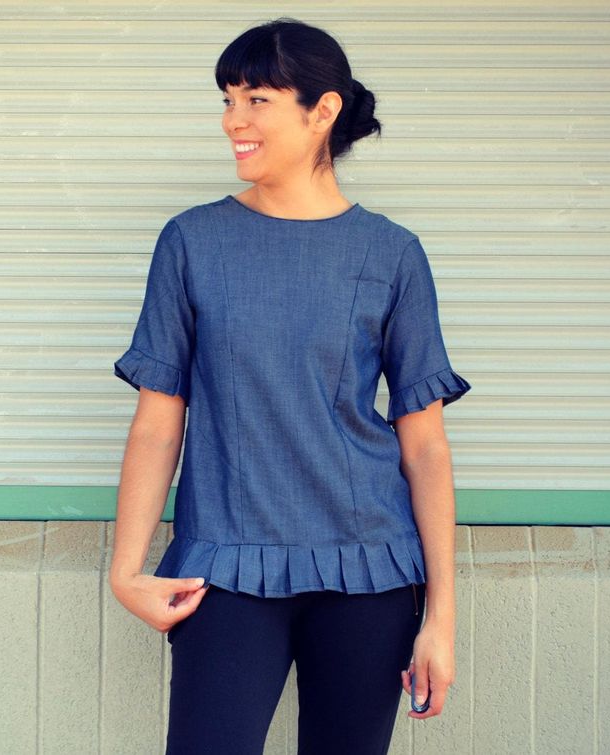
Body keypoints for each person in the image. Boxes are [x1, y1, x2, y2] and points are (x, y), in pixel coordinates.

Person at [109, 17, 471, 755]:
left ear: (323, 110)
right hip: (227, 568)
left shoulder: (392, 254)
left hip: (368, 570)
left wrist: (441, 617)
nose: (232, 120)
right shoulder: (191, 242)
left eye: (256, 99)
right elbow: (157, 423)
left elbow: (425, 447)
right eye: (227, 98)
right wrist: (126, 568)